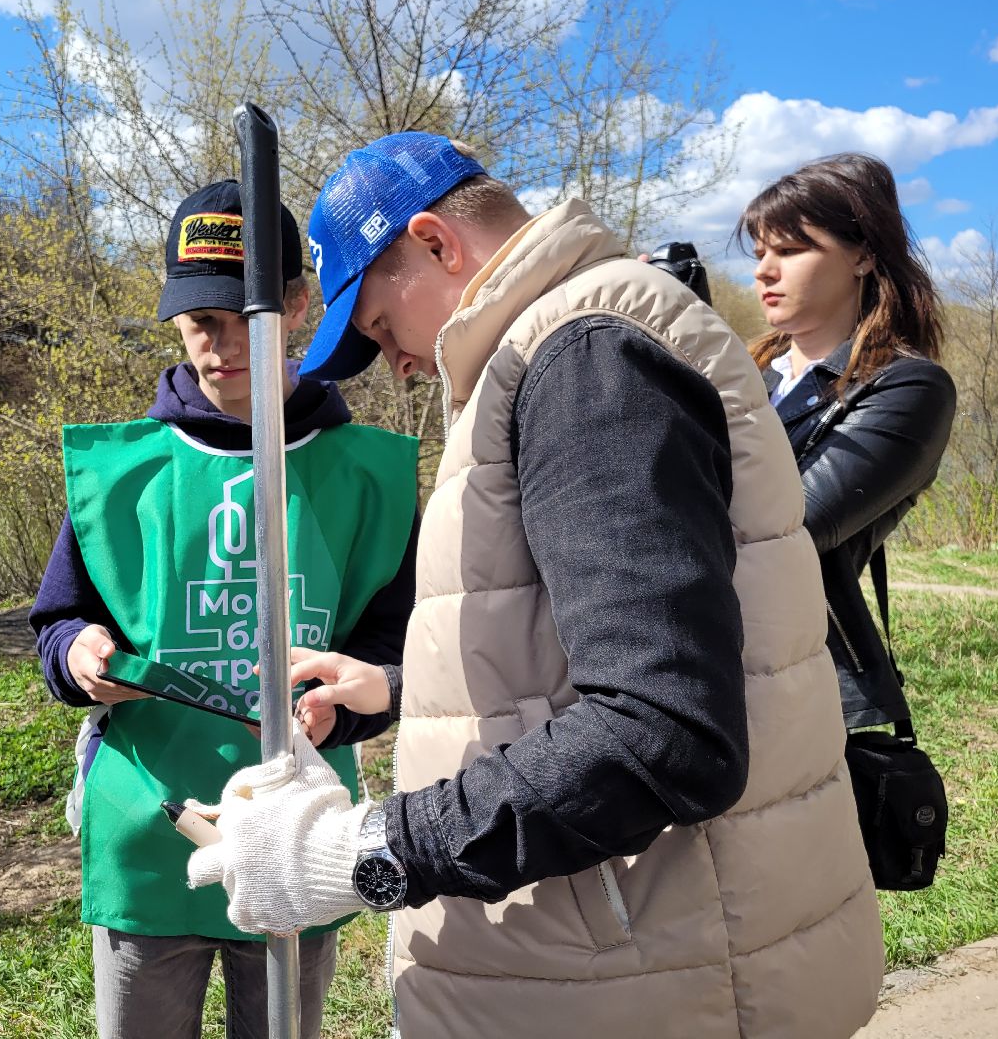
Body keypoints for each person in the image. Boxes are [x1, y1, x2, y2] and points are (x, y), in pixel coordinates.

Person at [184, 134, 886, 1039]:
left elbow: (660, 731)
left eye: (380, 326)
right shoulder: (563, 349)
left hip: (653, 983)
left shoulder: (584, 360)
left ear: (437, 243)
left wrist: (358, 852)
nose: (395, 360)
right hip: (630, 963)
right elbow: (608, 638)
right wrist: (400, 689)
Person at [29, 179, 420, 1039]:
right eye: (201, 322)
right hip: (147, 822)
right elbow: (58, 622)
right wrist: (78, 656)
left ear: (296, 305)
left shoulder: (367, 477)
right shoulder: (119, 473)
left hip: (296, 825)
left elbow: (394, 652)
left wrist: (343, 709)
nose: (222, 345)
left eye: (247, 318)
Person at [740, 152, 954, 728]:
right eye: (760, 253)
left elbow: (786, 531)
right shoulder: (739, 373)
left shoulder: (909, 388)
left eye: (789, 251)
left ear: (862, 255)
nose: (763, 271)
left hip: (803, 678)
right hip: (690, 655)